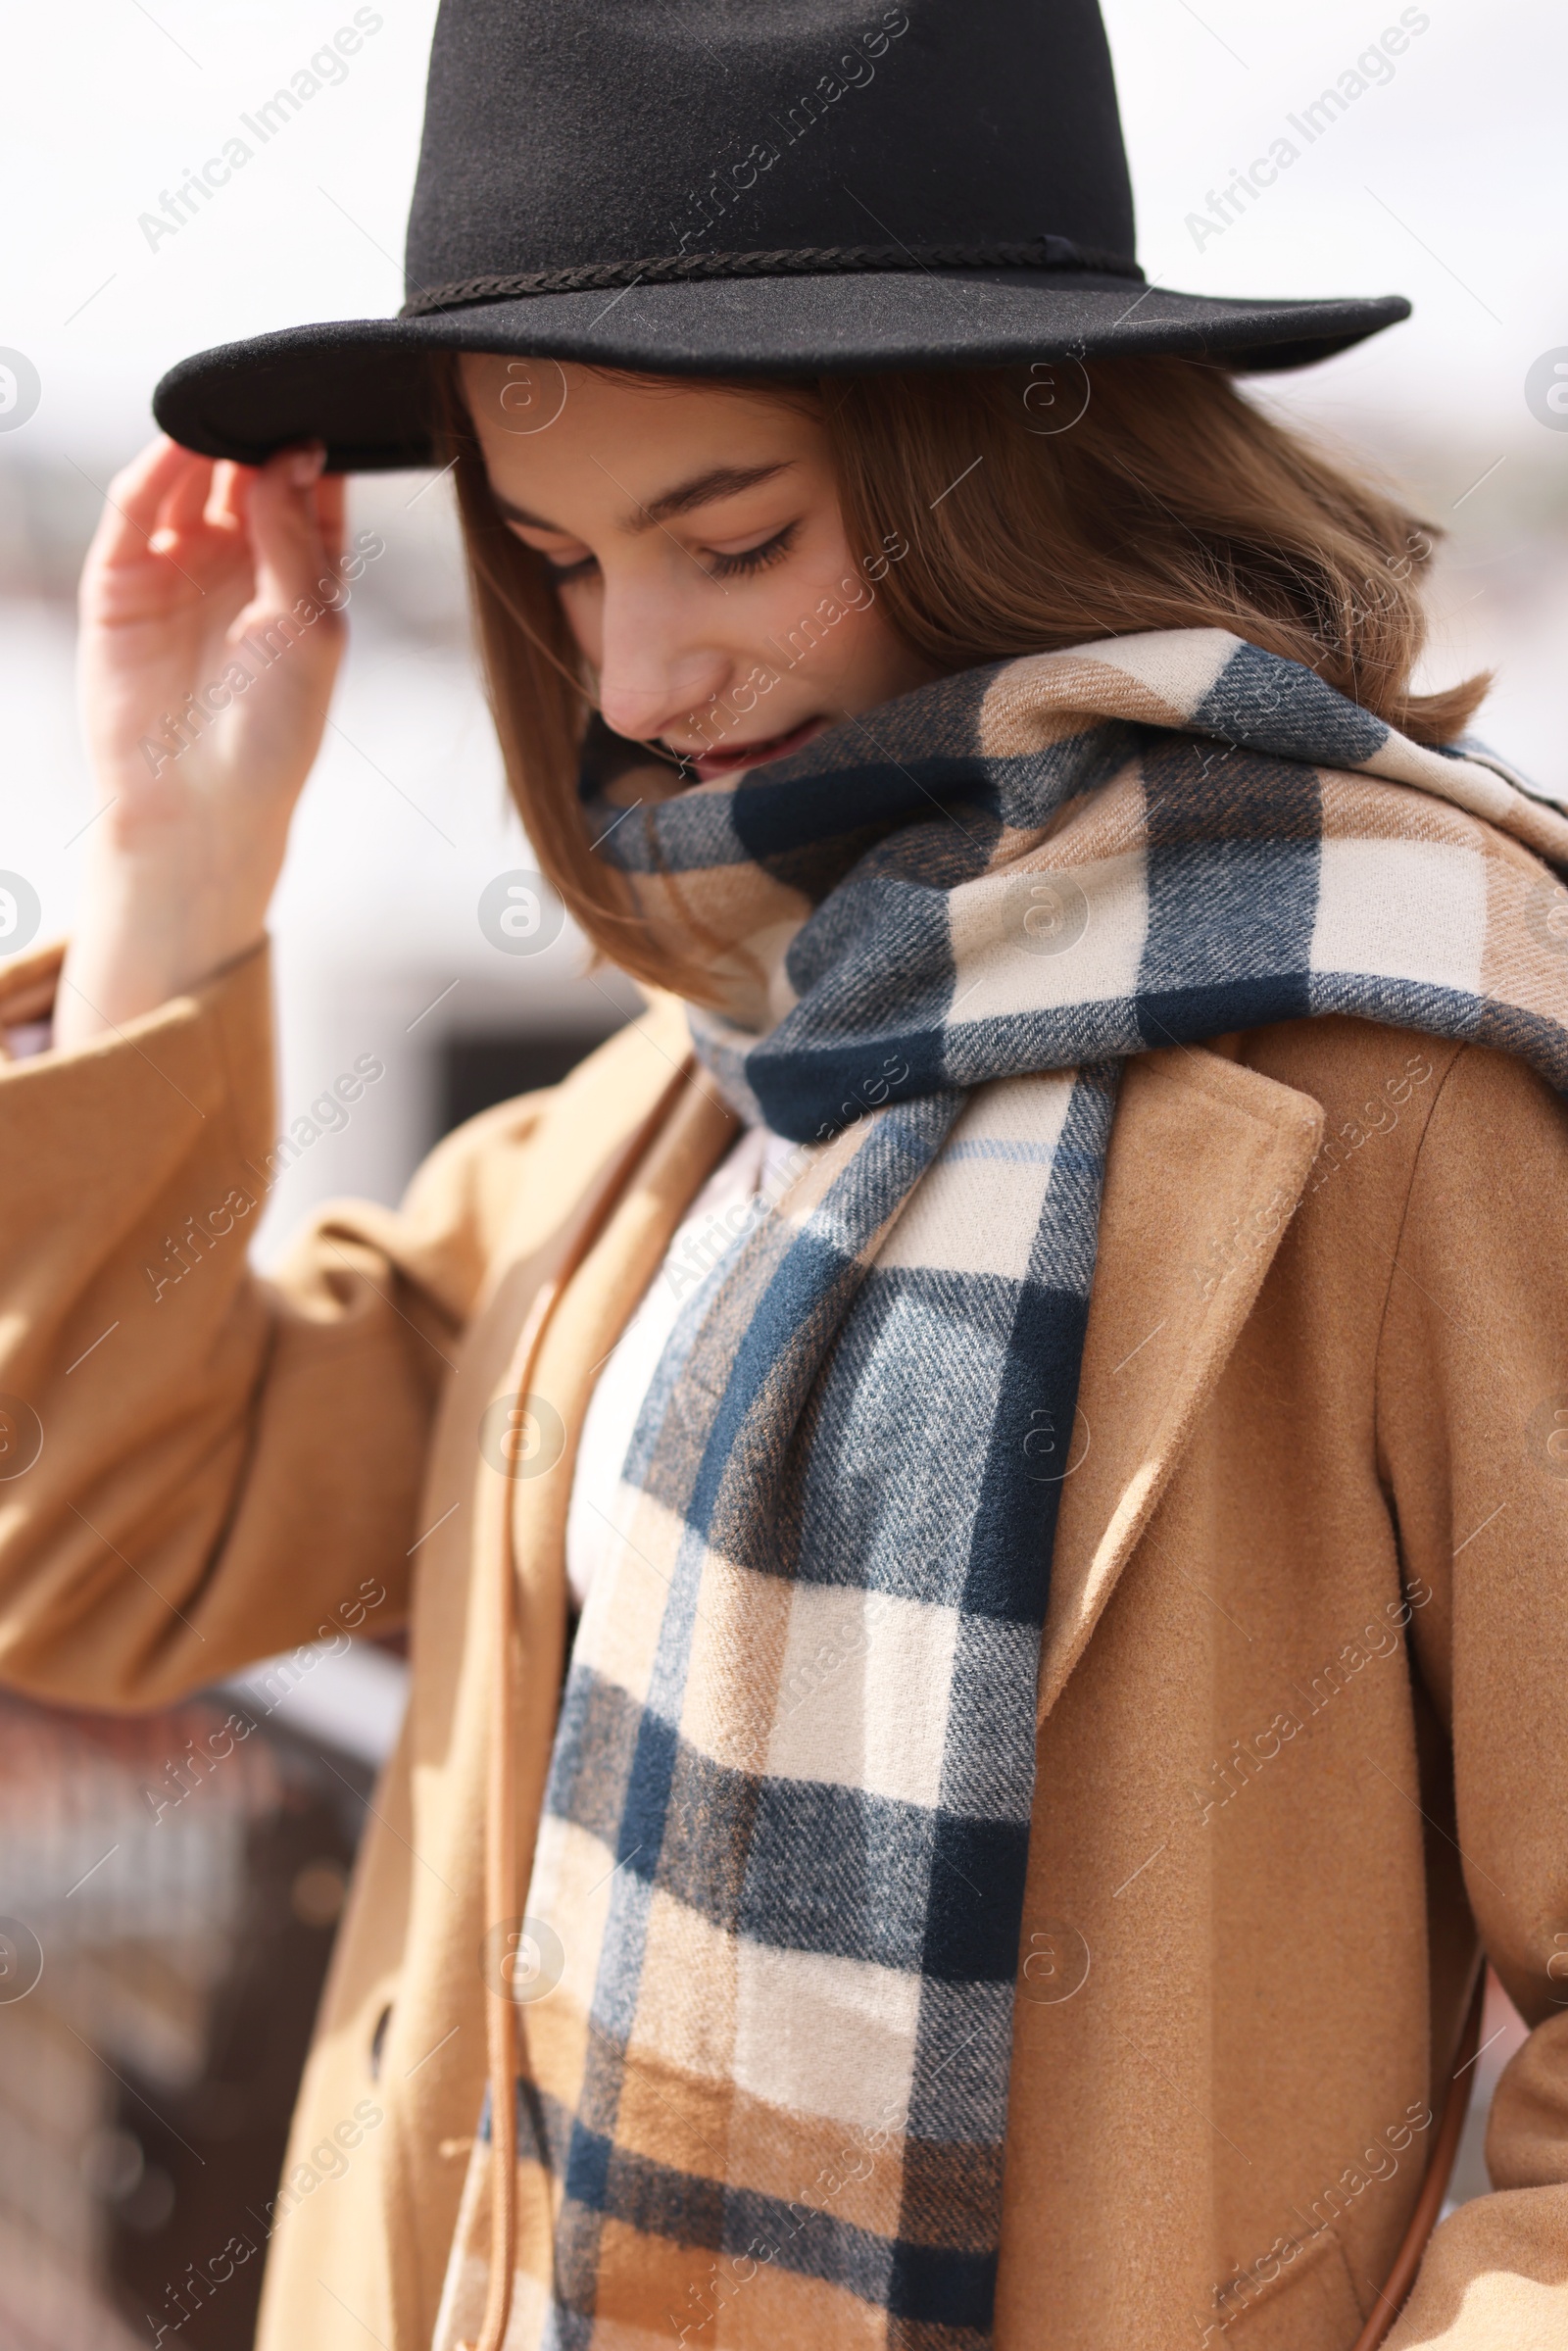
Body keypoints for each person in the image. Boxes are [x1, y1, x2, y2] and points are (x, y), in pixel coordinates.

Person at [3, 6, 1566, 2349]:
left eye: (724, 538)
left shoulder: (1406, 1064)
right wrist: (173, 855)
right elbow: (100, 1548)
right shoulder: (708, 1076)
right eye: (548, 561)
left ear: (1000, 466)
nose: (633, 674)